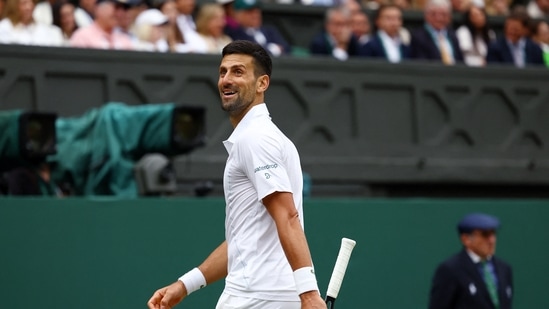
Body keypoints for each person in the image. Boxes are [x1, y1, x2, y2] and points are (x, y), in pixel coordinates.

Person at [146, 40, 326, 309]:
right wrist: (185, 285)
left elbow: (288, 217)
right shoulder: (257, 137)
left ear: (262, 83)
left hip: (258, 297)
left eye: (238, 72)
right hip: (260, 293)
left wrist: (310, 295)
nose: (226, 80)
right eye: (223, 72)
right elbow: (242, 242)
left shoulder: (256, 139)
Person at [428, 213, 513, 309]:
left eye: (493, 233)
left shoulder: (504, 269)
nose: (492, 240)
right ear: (466, 239)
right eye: (485, 235)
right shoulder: (450, 270)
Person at [225, 0, 291, 56]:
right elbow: (251, 52)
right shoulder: (234, 33)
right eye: (250, 12)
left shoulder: (270, 31)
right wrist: (273, 49)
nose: (255, 15)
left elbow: (286, 48)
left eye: (257, 11)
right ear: (238, 15)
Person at [410, 0, 464, 65]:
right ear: (426, 16)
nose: (439, 18)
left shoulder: (453, 36)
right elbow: (421, 64)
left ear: (449, 17)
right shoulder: (418, 37)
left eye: (443, 14)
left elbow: (460, 61)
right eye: (434, 14)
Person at [69, 0, 134, 50]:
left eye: (123, 9)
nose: (119, 14)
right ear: (98, 8)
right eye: (116, 8)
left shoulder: (123, 38)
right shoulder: (83, 37)